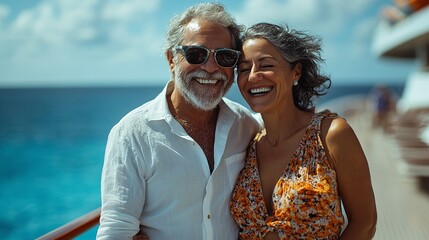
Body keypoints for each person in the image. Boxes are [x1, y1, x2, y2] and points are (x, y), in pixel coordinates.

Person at [96, 3, 261, 239]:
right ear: (171, 59)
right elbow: (117, 227)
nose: (211, 67)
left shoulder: (246, 125)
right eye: (196, 54)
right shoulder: (132, 133)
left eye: (225, 57)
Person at [230, 23, 377, 239]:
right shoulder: (249, 143)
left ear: (295, 72)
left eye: (266, 65)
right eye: (243, 69)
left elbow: (365, 223)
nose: (253, 76)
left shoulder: (330, 135)